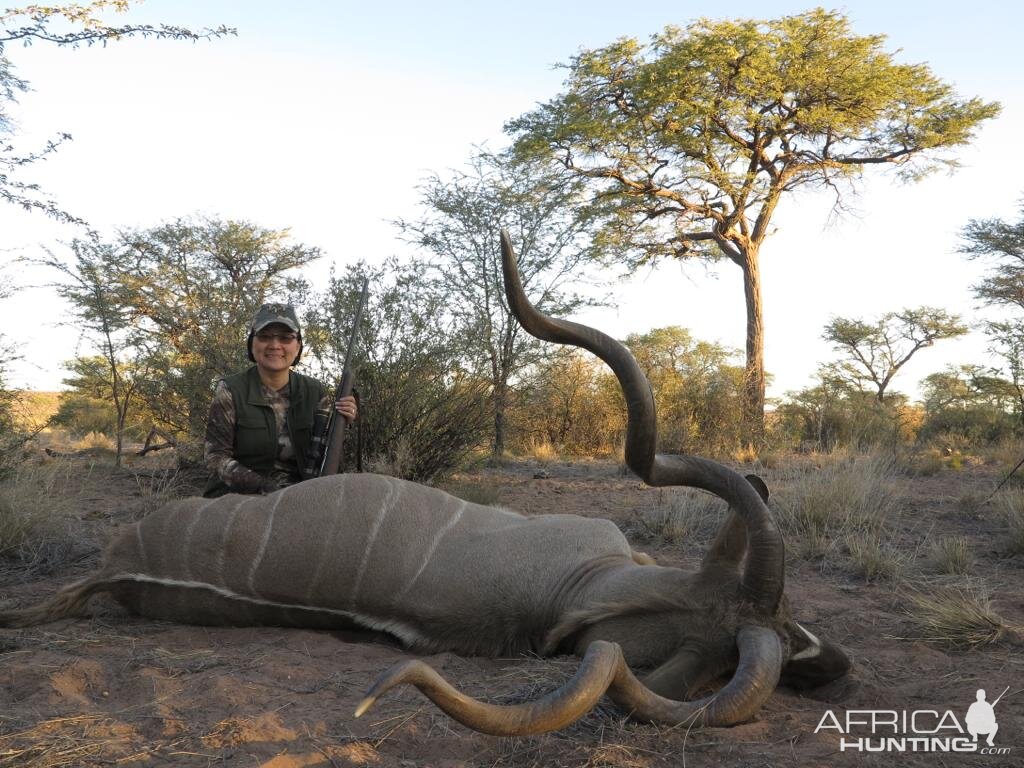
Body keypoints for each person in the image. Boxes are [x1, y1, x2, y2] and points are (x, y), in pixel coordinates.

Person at [203, 302, 358, 497]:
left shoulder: (315, 391)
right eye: (265, 337)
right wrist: (267, 488)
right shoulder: (230, 390)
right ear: (252, 343)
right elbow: (215, 458)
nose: (275, 345)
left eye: (285, 338)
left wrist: (344, 422)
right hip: (239, 498)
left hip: (301, 495)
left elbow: (329, 455)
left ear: (298, 345)